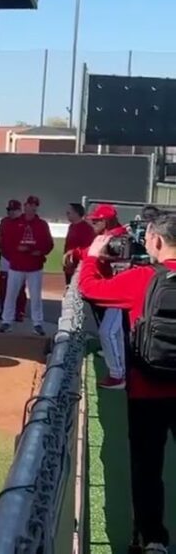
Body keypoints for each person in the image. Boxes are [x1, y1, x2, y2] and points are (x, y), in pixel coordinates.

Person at [78, 214, 176, 554]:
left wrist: (93, 256)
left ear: (158, 241)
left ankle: (152, 540)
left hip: (147, 389)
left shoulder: (143, 278)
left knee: (147, 467)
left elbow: (89, 289)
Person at [87, 203, 132, 390]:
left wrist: (99, 257)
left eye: (96, 221)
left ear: (106, 221)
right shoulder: (111, 235)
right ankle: (120, 371)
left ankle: (117, 375)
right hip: (118, 289)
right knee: (116, 332)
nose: (93, 224)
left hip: (121, 291)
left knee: (107, 331)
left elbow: (122, 262)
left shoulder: (119, 236)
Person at [0, 196, 54, 335]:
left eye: (35, 205)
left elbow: (48, 244)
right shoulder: (14, 223)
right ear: (25, 206)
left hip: (34, 266)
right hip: (17, 264)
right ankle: (7, 321)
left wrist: (38, 251)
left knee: (35, 296)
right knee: (11, 294)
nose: (32, 208)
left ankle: (37, 323)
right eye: (30, 205)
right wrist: (15, 253)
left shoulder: (41, 224)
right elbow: (6, 243)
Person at [0, 199, 29, 322]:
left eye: (14, 210)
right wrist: (1, 248)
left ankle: (19, 311)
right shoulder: (4, 222)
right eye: (9, 210)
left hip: (20, 258)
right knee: (4, 285)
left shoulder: (25, 223)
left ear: (20, 211)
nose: (11, 212)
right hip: (5, 257)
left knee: (19, 286)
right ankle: (4, 310)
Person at [63, 202, 95, 288]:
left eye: (69, 212)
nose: (67, 214)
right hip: (69, 263)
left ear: (76, 213)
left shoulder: (86, 228)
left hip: (78, 265)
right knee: (68, 286)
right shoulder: (71, 226)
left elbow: (88, 247)